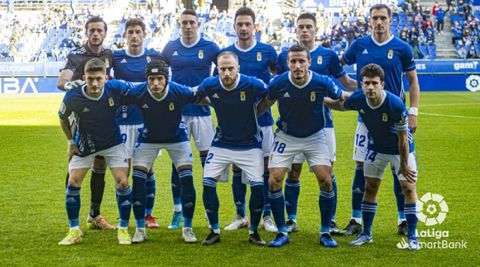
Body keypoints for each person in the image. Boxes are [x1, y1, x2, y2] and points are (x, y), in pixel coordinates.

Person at [340, 4, 420, 236]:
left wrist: (413, 111)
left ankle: (403, 219)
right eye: (374, 18)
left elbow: (413, 81)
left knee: (400, 168)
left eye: (382, 18)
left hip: (395, 118)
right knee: (360, 165)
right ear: (369, 20)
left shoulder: (402, 48)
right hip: (366, 119)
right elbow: (339, 69)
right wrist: (356, 90)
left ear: (390, 20)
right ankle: (356, 219)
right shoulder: (359, 46)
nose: (378, 22)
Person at [258, 44, 347, 248]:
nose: (297, 65)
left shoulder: (321, 81)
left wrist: (366, 106)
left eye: (301, 61)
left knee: (326, 180)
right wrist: (246, 119)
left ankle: (325, 231)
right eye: (293, 61)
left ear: (309, 62)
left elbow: (341, 98)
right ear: (288, 63)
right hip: (286, 136)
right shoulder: (278, 83)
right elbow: (264, 104)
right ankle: (282, 232)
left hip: (315, 136)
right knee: (274, 180)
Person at [275, 12, 357, 234]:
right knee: (293, 171)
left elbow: (345, 83)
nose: (304, 30)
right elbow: (277, 84)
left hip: (323, 125)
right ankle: (291, 219)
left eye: (308, 27)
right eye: (300, 26)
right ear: (295, 30)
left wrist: (369, 91)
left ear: (316, 29)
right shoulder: (285, 55)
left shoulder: (328, 56)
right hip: (292, 126)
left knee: (327, 174)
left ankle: (329, 221)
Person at [332, 63, 419, 250]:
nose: (370, 87)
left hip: (400, 150)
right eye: (366, 83)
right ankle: (366, 233)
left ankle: (412, 236)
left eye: (374, 83)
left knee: (408, 188)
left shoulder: (395, 104)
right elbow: (340, 105)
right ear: (361, 85)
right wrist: (316, 99)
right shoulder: (359, 98)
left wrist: (403, 165)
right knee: (370, 188)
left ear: (382, 84)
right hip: (376, 148)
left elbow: (403, 139)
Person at [124, 59, 206, 243]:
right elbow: (113, 95)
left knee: (186, 178)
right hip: (148, 138)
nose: (155, 83)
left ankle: (188, 227)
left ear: (166, 79)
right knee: (137, 179)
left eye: (159, 78)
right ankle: (139, 228)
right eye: (151, 79)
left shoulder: (179, 91)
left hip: (177, 138)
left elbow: (203, 98)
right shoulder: (139, 92)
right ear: (146, 79)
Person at [58, 58, 133, 245]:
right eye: (90, 79)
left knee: (123, 182)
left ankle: (123, 229)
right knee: (73, 181)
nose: (94, 83)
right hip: (85, 143)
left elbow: (138, 89)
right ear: (84, 77)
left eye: (98, 79)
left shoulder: (115, 87)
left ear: (106, 78)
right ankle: (74, 230)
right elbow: (62, 118)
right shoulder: (73, 96)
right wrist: (70, 142)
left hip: (112, 142)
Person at [220, 6, 278, 232]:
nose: (244, 28)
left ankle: (267, 215)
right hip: (235, 123)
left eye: (247, 24)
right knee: (237, 167)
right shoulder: (226, 54)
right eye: (239, 24)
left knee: (266, 168)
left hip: (263, 121)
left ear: (255, 27)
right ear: (234, 27)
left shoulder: (268, 52)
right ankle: (240, 215)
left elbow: (278, 83)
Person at [200, 51, 268, 246]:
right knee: (208, 183)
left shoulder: (252, 84)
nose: (227, 73)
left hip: (250, 145)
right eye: (223, 69)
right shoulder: (210, 84)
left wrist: (257, 110)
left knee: (257, 187)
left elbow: (270, 96)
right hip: (221, 143)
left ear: (238, 68)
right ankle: (214, 230)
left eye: (231, 68)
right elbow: (196, 96)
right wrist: (215, 104)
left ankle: (254, 231)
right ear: (218, 70)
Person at [162, 9, 220, 230]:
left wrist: (211, 87)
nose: (187, 26)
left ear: (198, 24)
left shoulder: (210, 47)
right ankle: (178, 211)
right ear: (179, 24)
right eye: (184, 23)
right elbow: (159, 72)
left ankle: (208, 210)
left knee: (208, 162)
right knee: (178, 163)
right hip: (178, 112)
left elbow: (224, 66)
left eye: (191, 23)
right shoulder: (170, 48)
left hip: (203, 113)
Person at [57, 16, 115, 230]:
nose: (96, 34)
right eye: (92, 30)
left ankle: (94, 215)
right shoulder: (76, 56)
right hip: (80, 117)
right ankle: (71, 220)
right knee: (75, 166)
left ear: (105, 33)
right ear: (86, 32)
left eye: (100, 30)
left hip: (103, 116)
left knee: (100, 163)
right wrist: (79, 83)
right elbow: (61, 82)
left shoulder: (110, 55)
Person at [112, 18, 162, 229]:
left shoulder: (154, 58)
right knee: (124, 173)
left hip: (146, 122)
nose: (134, 35)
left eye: (138, 32)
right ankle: (124, 216)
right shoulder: (115, 58)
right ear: (125, 35)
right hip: (121, 123)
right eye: (130, 32)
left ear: (144, 34)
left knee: (147, 170)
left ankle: (148, 215)